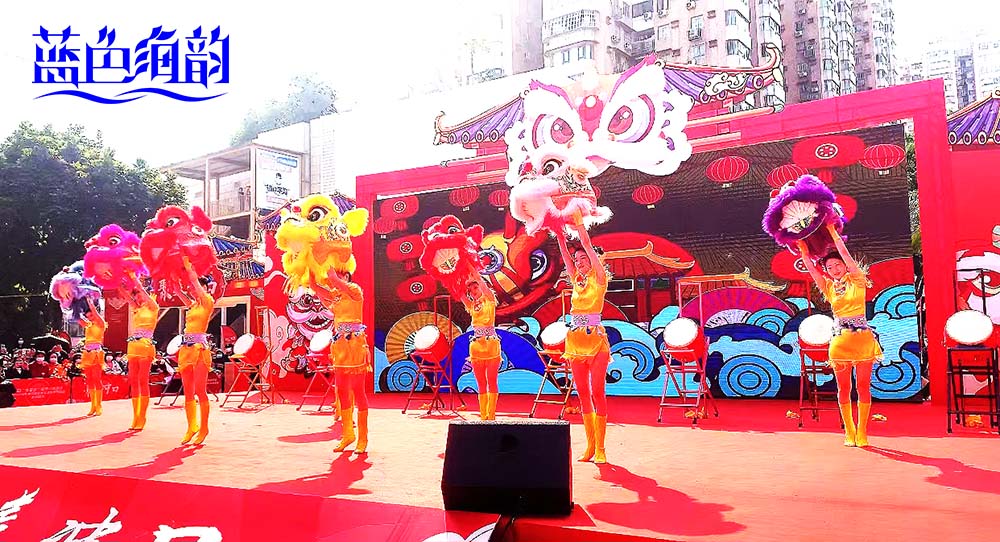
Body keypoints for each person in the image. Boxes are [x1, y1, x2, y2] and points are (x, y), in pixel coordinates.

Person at [798, 223, 883, 447]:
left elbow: (845, 253)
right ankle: (849, 431)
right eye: (830, 267)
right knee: (843, 388)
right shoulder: (828, 287)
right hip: (840, 343)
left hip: (863, 341)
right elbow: (812, 270)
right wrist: (804, 252)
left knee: (863, 387)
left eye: (838, 264)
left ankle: (862, 431)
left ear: (845, 265)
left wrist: (833, 232)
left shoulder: (858, 280)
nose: (835, 269)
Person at [556, 238, 611, 464]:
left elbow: (588, 246)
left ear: (593, 259)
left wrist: (580, 229)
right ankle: (590, 446)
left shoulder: (599, 279)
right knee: (582, 394)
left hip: (596, 341)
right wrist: (559, 235)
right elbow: (566, 258)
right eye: (576, 259)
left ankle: (601, 448)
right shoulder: (576, 280)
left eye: (582, 258)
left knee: (597, 391)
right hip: (576, 341)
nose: (578, 262)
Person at [314, 269, 370, 454]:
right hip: (339, 347)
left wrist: (330, 270)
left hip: (355, 346)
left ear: (346, 277)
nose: (335, 279)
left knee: (358, 391)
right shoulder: (335, 296)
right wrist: (309, 272)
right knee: (342, 391)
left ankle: (363, 438)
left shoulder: (355, 290)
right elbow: (317, 288)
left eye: (340, 275)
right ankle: (348, 434)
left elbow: (332, 278)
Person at [177, 264, 215, 445]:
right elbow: (178, 291)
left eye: (198, 287)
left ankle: (204, 428)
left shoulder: (208, 301)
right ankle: (191, 426)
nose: (194, 290)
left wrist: (188, 265)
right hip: (186, 349)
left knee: (200, 390)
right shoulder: (192, 306)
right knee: (188, 392)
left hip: (200, 349)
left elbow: (195, 283)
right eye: (193, 288)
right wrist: (174, 281)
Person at [462, 273, 501, 420]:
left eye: (475, 287)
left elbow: (479, 279)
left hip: (491, 346)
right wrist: (450, 276)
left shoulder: (489, 300)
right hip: (476, 348)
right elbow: (458, 293)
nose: (473, 291)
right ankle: (483, 416)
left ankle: (491, 415)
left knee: (492, 380)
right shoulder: (472, 306)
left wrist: (469, 266)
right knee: (481, 383)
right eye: (470, 290)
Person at [126, 284, 159, 431]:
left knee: (142, 380)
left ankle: (142, 416)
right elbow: (125, 295)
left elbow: (144, 294)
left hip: (146, 345)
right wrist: (114, 279)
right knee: (133, 380)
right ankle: (135, 416)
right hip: (134, 345)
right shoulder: (136, 308)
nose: (138, 297)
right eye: (136, 295)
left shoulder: (153, 307)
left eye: (139, 293)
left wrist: (135, 280)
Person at [78, 298, 106, 416]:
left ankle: (98, 406)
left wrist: (90, 302)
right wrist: (69, 303)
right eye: (88, 316)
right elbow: (77, 318)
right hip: (87, 353)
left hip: (96, 353)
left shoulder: (101, 324)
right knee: (89, 380)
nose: (90, 318)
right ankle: (93, 406)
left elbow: (95, 313)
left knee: (96, 379)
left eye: (91, 315)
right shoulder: (88, 325)